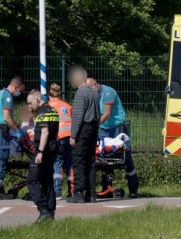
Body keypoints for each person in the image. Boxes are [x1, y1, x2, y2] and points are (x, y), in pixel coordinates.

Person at [88, 77, 140, 198]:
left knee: (125, 156)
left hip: (118, 126)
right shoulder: (93, 95)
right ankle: (107, 187)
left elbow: (107, 114)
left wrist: (93, 126)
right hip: (105, 128)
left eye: (90, 90)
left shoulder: (108, 92)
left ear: (95, 85)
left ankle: (133, 187)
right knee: (103, 157)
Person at [0, 76, 25, 200]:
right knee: (1, 161)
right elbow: (6, 118)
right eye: (20, 90)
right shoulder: (8, 97)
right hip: (0, 131)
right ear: (16, 87)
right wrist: (17, 130)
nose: (19, 93)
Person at [25, 91, 59, 223]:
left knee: (32, 181)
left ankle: (43, 209)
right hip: (51, 150)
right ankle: (50, 212)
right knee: (47, 181)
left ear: (38, 100)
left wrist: (39, 152)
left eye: (30, 103)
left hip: (42, 150)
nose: (29, 106)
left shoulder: (42, 113)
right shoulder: (53, 111)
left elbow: (44, 133)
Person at [68, 67, 100, 203]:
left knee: (79, 160)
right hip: (93, 128)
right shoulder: (94, 93)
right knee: (90, 161)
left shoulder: (80, 93)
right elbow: (99, 113)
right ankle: (91, 194)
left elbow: (77, 116)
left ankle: (79, 193)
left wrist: (73, 135)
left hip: (83, 129)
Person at [47, 83, 74, 200]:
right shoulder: (67, 106)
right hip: (70, 136)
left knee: (57, 163)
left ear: (49, 95)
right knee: (69, 164)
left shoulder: (48, 106)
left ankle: (57, 191)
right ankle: (72, 190)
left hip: (59, 137)